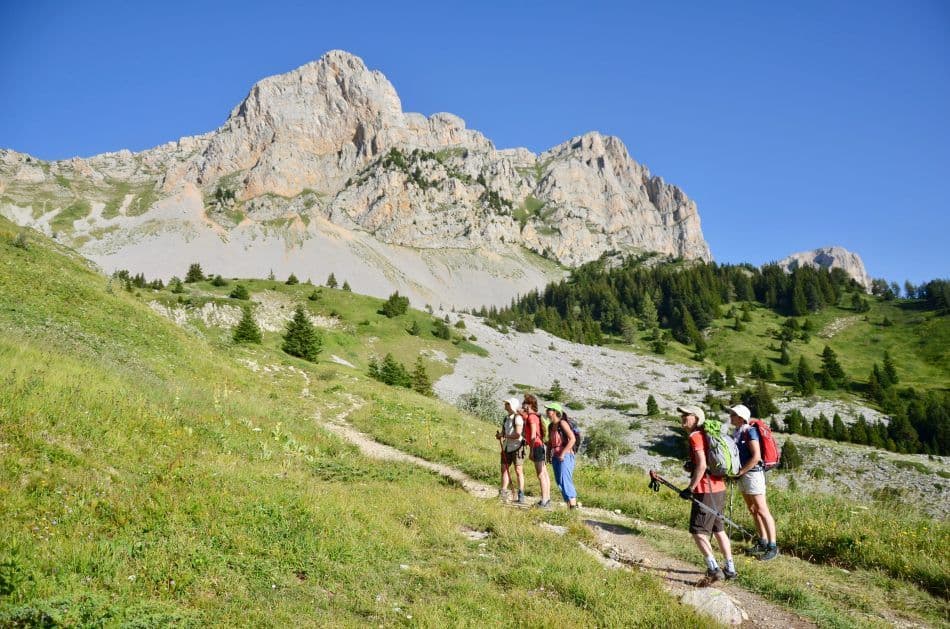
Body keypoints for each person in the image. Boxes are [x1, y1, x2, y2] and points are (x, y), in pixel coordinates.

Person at [677, 404, 737, 583]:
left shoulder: (695, 436)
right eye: (682, 415)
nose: (682, 417)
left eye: (686, 415)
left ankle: (713, 568)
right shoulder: (706, 434)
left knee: (698, 531)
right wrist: (692, 466)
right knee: (718, 529)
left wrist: (690, 488)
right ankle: (730, 568)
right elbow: (704, 463)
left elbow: (702, 465)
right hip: (719, 488)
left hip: (705, 490)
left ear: (696, 418)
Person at [727, 404, 779, 561]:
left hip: (753, 474)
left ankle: (772, 546)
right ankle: (762, 541)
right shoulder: (738, 432)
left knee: (762, 509)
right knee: (753, 509)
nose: (730, 417)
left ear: (741, 417)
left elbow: (756, 457)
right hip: (744, 475)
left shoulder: (750, 432)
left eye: (733, 414)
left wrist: (740, 472)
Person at [545, 402, 578, 508]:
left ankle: (573, 506)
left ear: (555, 412)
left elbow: (572, 439)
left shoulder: (562, 423)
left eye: (549, 410)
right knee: (559, 481)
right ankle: (569, 505)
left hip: (566, 456)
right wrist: (548, 454)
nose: (547, 411)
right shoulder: (551, 426)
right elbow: (550, 442)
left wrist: (563, 454)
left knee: (565, 480)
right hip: (556, 456)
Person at [521, 394, 551, 508]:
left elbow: (533, 435)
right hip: (540, 445)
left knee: (540, 474)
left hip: (537, 446)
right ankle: (547, 499)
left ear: (529, 405)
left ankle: (544, 500)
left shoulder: (531, 417)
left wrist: (531, 451)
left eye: (524, 403)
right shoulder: (535, 416)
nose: (523, 405)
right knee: (544, 473)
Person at [496, 398, 526, 504]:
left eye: (507, 403)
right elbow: (504, 432)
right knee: (504, 469)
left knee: (518, 470)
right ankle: (503, 492)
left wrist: (504, 436)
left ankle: (521, 494)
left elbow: (517, 434)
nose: (505, 405)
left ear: (512, 405)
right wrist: (500, 435)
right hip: (507, 447)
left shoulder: (518, 418)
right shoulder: (506, 418)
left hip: (517, 447)